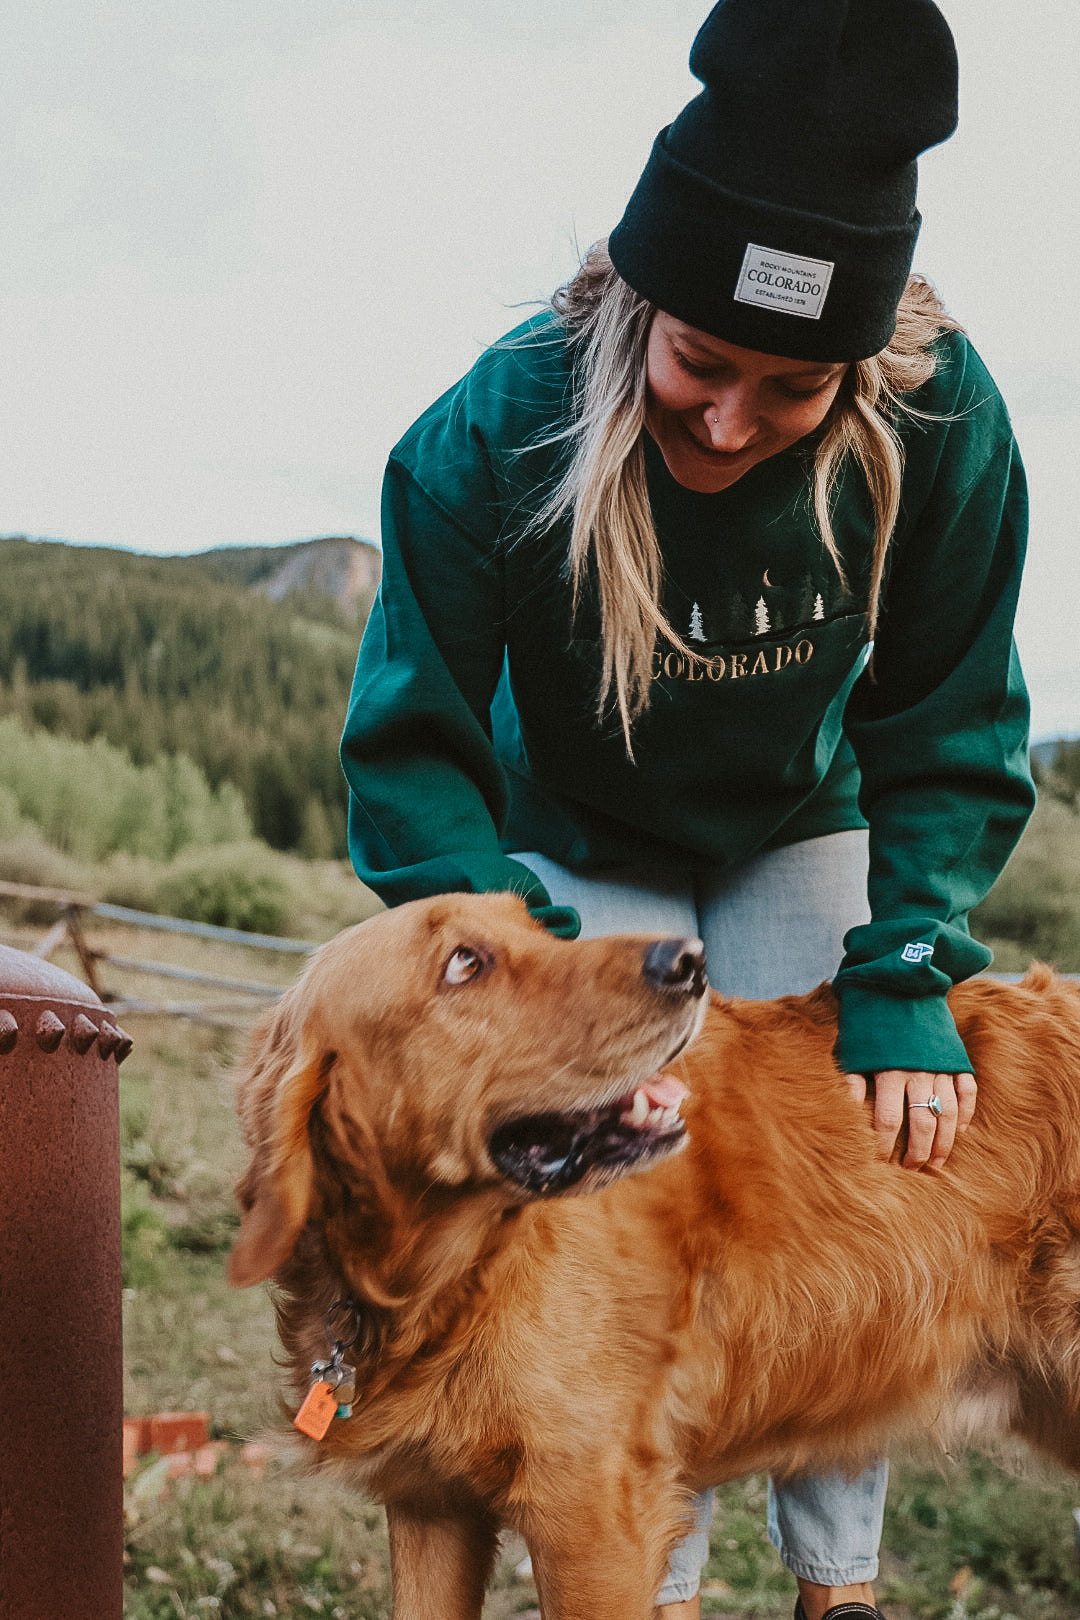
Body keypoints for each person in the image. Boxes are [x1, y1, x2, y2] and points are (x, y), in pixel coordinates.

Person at [339, 1, 1035, 1616]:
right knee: (630, 1187)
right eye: (700, 364)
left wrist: (908, 965)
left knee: (857, 1152)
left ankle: (838, 1588)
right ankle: (651, 1580)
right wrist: (515, 964)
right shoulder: (493, 430)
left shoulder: (944, 416)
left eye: (792, 389)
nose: (729, 421)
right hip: (574, 840)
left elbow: (950, 720)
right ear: (641, 304)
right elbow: (412, 745)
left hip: (801, 818)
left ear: (858, 369)